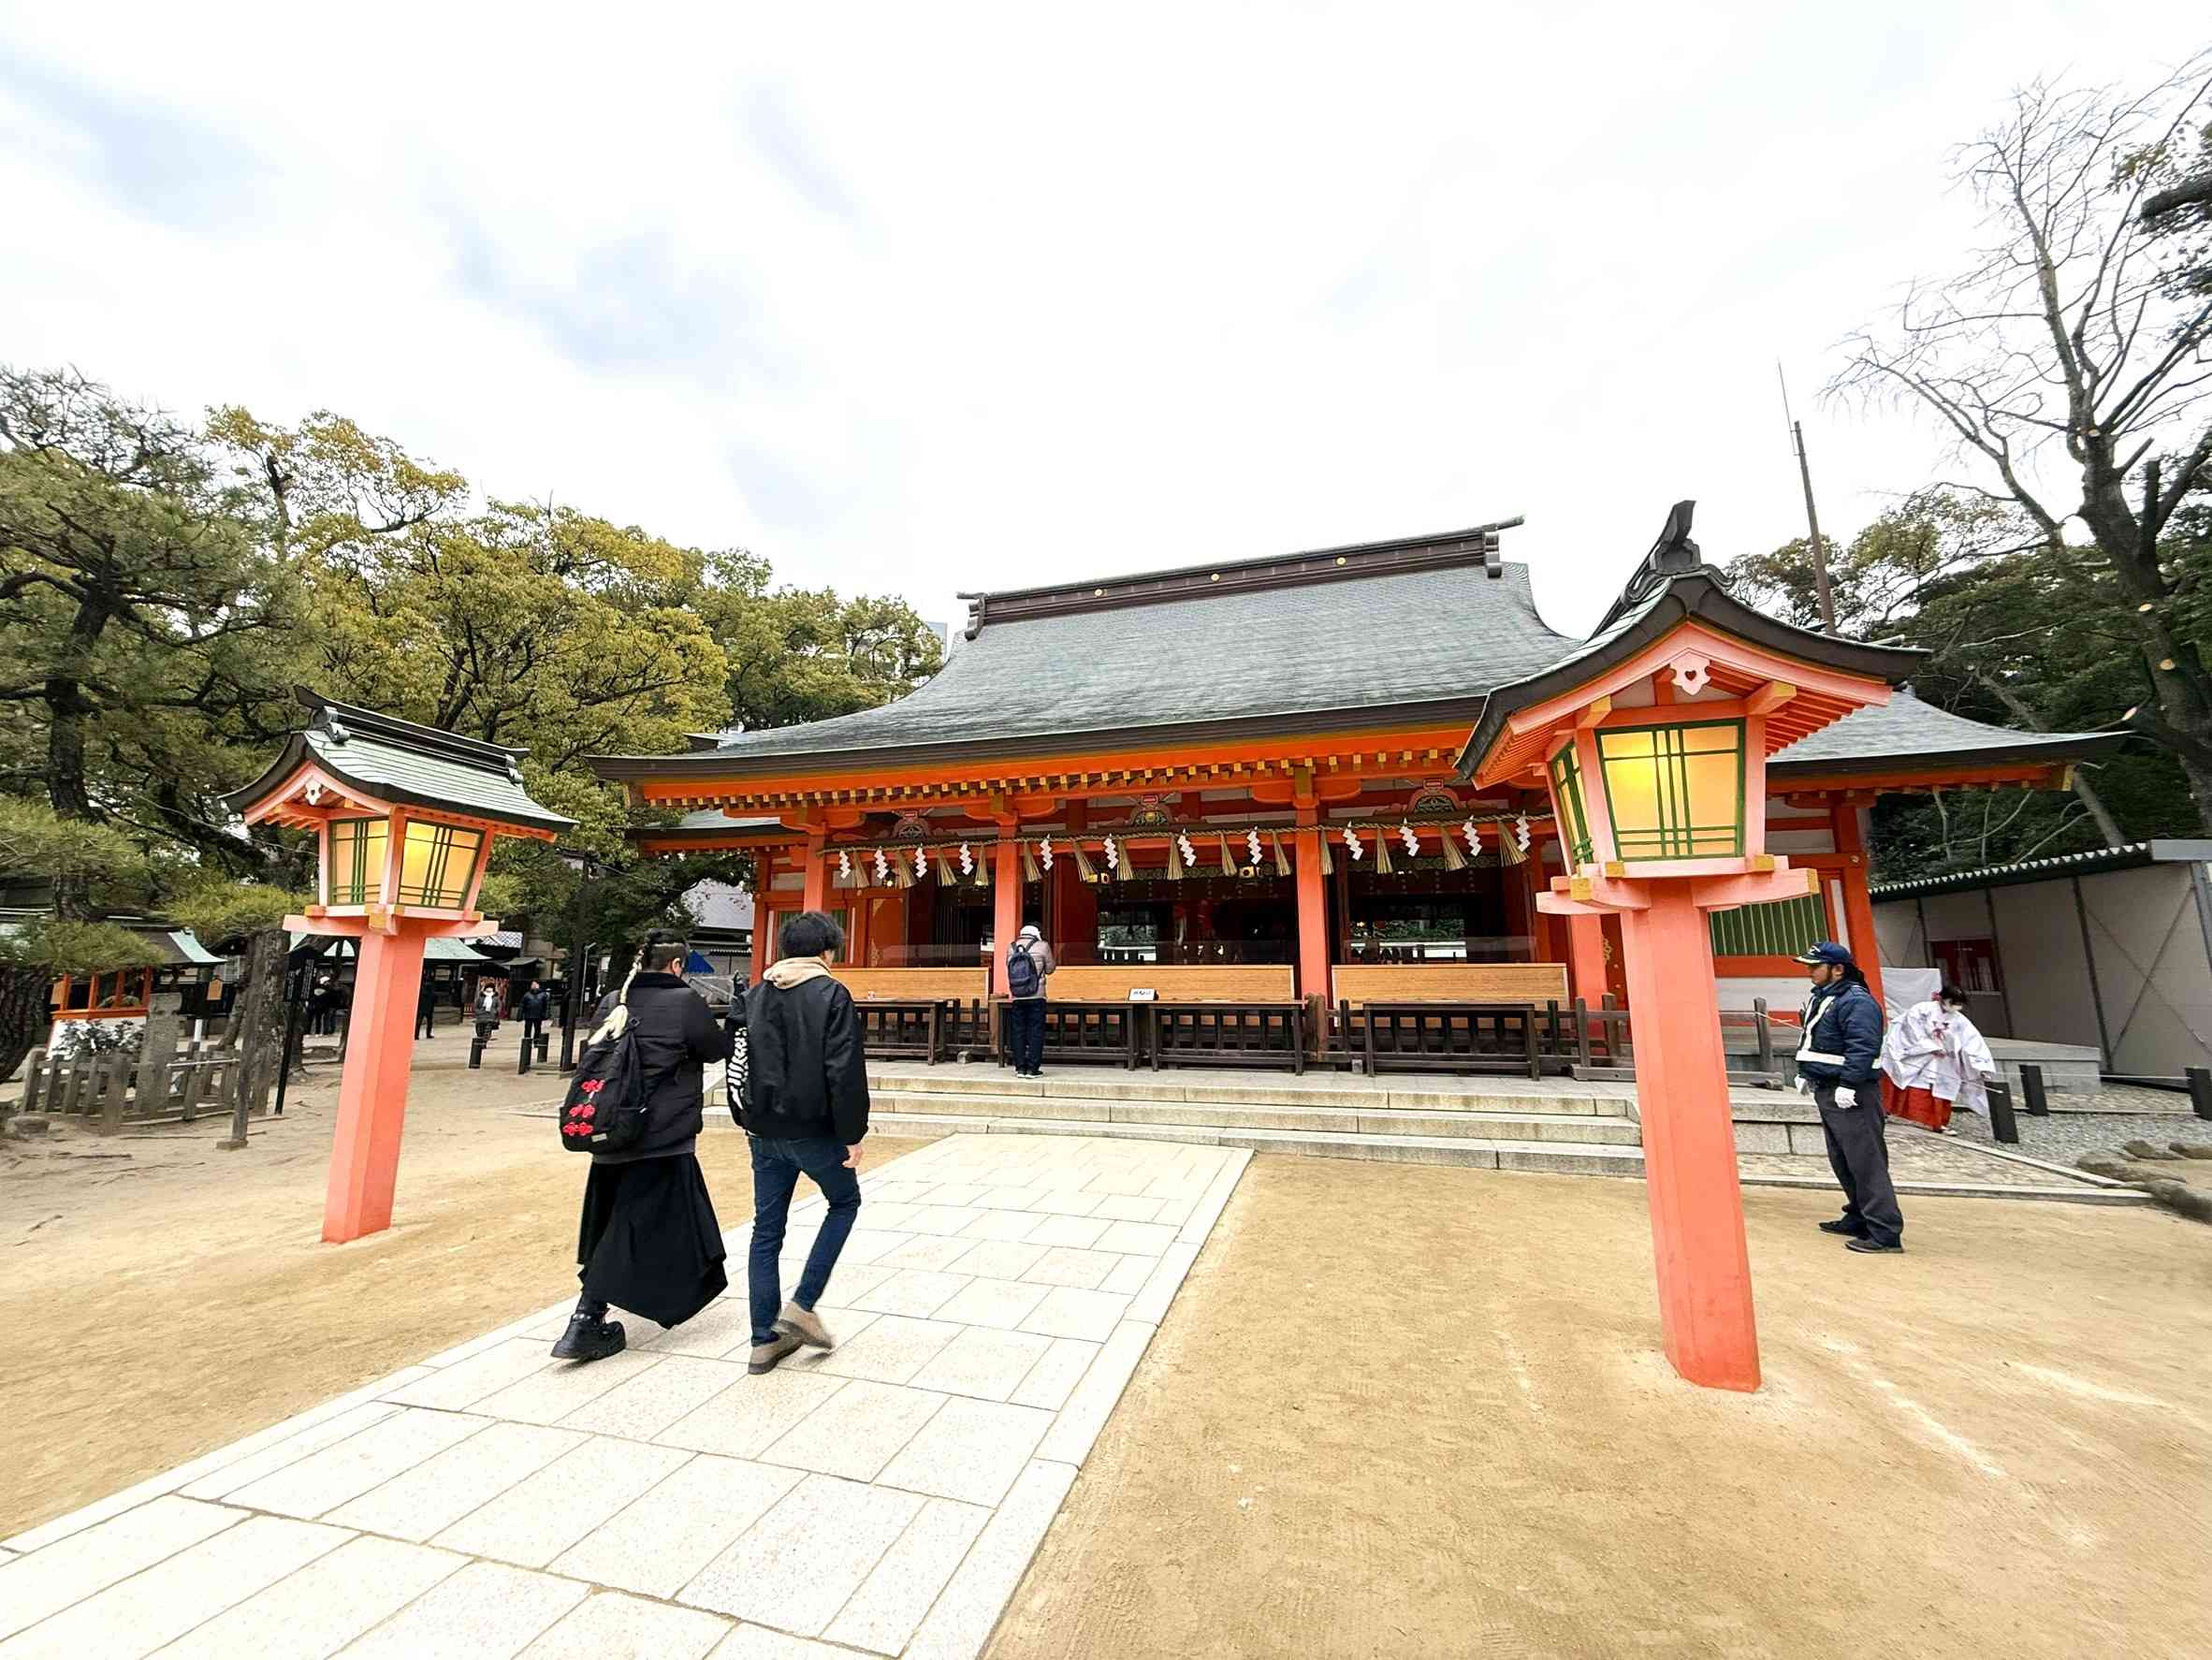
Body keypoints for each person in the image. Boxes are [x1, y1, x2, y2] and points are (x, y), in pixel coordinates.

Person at [554, 933, 735, 1362]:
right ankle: (585, 1318)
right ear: (676, 966)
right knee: (634, 1224)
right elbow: (713, 1050)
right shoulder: (685, 1001)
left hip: (609, 1126)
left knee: (615, 1218)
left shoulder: (615, 999)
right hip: (661, 1135)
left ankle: (602, 1306)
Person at [731, 910, 870, 1376]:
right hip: (813, 1128)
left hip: (763, 1131)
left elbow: (737, 1063)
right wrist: (852, 1134)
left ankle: (761, 1340)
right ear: (827, 950)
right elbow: (844, 1070)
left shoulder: (753, 995)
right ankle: (804, 1303)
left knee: (766, 1231)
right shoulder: (831, 993)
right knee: (844, 1202)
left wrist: (745, 1117)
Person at [1793, 940, 1904, 1254]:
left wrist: (1850, 1085)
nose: (1810, 972)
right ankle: (1858, 1216)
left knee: (1865, 1161)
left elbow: (1863, 1046)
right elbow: (1820, 1042)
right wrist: (1807, 1072)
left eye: (1816, 966)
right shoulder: (1825, 999)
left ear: (1838, 969)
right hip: (1827, 1087)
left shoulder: (1857, 1002)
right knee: (1843, 1159)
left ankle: (1884, 1231)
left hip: (1852, 1093)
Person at [1881, 982, 1998, 1135]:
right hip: (1918, 1056)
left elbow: (1972, 1041)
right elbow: (1910, 1031)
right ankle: (1885, 1111)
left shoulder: (1959, 1020)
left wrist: (1980, 1064)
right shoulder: (1922, 1010)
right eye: (1954, 1003)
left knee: (1941, 1089)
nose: (1956, 1007)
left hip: (1944, 1061)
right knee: (1902, 1077)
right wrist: (1931, 1047)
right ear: (1945, 999)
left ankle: (1938, 1123)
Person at [1005, 922, 1055, 1079]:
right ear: (1036, 933)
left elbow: (1009, 968)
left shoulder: (1011, 947)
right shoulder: (1043, 946)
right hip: (1036, 995)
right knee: (1035, 1031)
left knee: (1018, 1031)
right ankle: (1033, 1069)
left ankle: (1020, 1068)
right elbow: (1050, 969)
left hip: (1017, 996)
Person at [518, 979, 550, 1046]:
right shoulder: (527, 995)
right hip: (528, 1015)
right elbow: (522, 1005)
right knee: (527, 1029)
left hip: (538, 1015)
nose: (534, 986)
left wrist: (546, 1015)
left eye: (535, 984)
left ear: (538, 986)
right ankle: (527, 1042)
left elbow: (546, 1006)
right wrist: (520, 1015)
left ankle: (536, 1042)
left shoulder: (543, 995)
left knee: (537, 1029)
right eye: (533, 984)